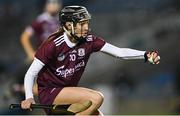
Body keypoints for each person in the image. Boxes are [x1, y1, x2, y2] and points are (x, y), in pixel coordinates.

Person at [21, 6, 160, 115]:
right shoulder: (52, 45)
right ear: (69, 25)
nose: (86, 27)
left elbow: (119, 52)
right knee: (97, 98)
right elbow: (30, 74)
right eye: (82, 24)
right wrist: (28, 97)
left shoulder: (90, 40)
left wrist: (146, 55)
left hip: (68, 92)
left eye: (87, 23)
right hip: (50, 93)